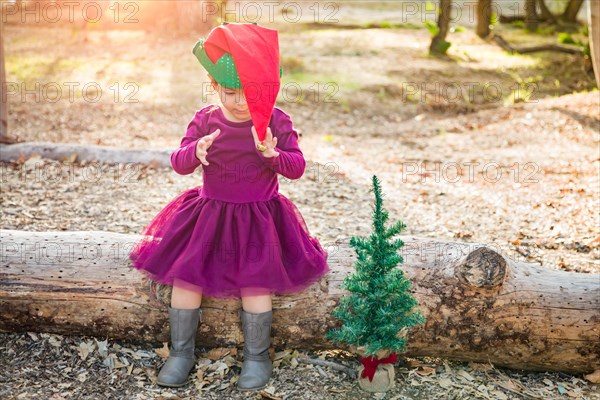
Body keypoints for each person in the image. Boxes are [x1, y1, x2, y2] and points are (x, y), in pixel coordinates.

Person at [128, 22, 330, 391]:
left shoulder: (276, 121)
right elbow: (178, 161)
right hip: (210, 216)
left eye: (249, 94)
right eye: (230, 92)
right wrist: (196, 151)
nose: (239, 102)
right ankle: (181, 353)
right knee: (187, 279)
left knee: (256, 286)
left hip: (259, 219)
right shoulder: (206, 118)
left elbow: (297, 167)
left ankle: (256, 357)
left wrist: (272, 154)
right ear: (215, 87)